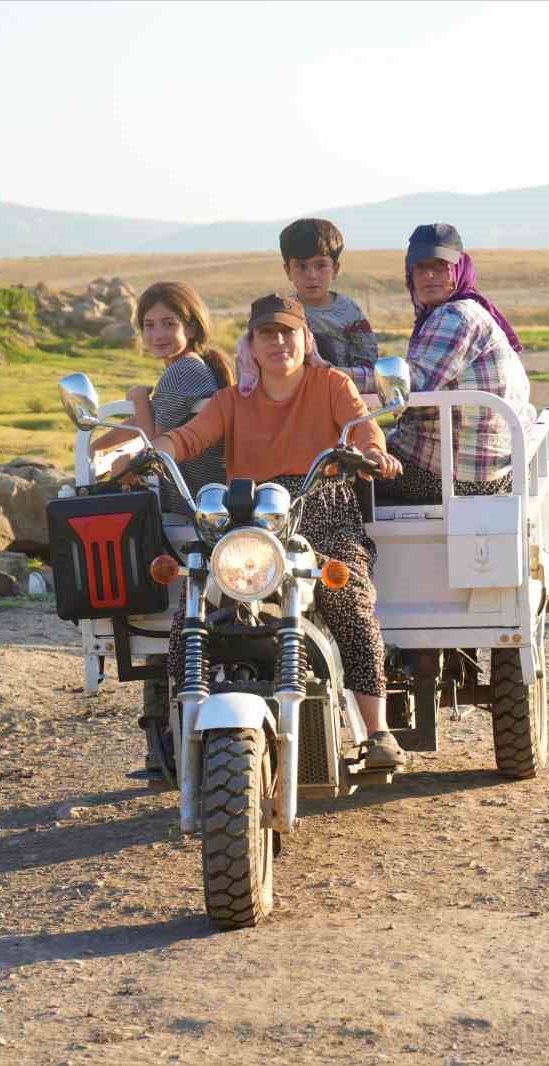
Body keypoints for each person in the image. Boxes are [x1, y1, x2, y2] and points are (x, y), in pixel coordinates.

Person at [114, 294, 409, 770]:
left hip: (322, 508)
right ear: (250, 344)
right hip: (248, 517)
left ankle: (378, 733)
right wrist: (150, 452)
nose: (278, 342)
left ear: (305, 339)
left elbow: (360, 428)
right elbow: (188, 436)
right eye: (266, 334)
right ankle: (174, 736)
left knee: (347, 597)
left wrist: (373, 452)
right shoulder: (233, 400)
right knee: (196, 605)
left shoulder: (330, 384)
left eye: (287, 332)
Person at [385, 223, 535, 503]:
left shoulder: (455, 316)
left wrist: (335, 378)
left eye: (440, 266)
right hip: (484, 465)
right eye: (420, 267)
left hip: (456, 478)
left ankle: (345, 547)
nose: (429, 275)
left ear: (459, 268)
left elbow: (410, 384)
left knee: (338, 481)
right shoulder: (465, 309)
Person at [91, 281, 232, 515]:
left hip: (192, 497)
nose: (158, 335)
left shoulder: (183, 371)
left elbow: (155, 444)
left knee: (122, 466)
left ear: (191, 329)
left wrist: (138, 398)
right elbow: (147, 420)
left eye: (169, 324)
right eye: (149, 325)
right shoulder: (193, 365)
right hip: (204, 493)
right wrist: (97, 446)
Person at [279, 217, 378, 393]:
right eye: (301, 267)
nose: (312, 275)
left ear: (335, 269)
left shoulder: (350, 314)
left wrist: (328, 373)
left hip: (344, 405)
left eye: (320, 265)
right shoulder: (281, 315)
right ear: (288, 271)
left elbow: (370, 371)